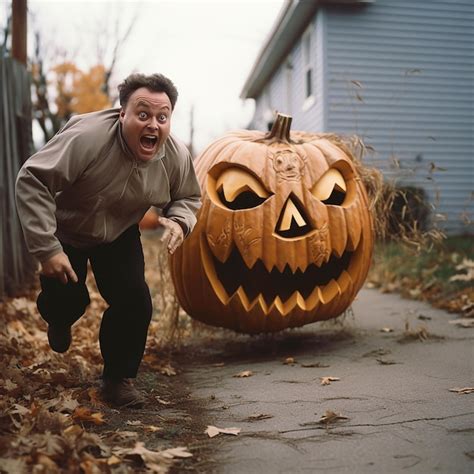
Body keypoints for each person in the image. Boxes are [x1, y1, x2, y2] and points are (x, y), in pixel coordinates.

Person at [15, 73, 201, 408]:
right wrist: (46, 248)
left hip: (118, 232)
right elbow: (32, 179)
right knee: (68, 299)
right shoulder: (88, 138)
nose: (153, 125)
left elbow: (188, 196)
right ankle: (59, 318)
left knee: (135, 300)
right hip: (66, 229)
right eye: (143, 115)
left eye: (162, 117)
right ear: (122, 115)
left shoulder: (174, 155)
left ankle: (118, 379)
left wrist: (179, 221)